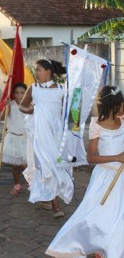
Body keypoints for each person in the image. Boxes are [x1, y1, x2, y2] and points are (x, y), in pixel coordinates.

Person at [46, 85, 124, 258]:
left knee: (119, 217)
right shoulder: (97, 125)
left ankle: (111, 249)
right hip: (105, 177)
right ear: (114, 104)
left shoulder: (123, 121)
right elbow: (91, 158)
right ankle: (82, 244)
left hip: (122, 178)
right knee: (97, 215)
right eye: (122, 103)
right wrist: (117, 158)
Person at [19, 58, 73, 218]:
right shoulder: (33, 88)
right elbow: (22, 105)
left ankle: (47, 197)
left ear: (48, 71)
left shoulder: (61, 90)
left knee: (56, 166)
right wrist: (30, 111)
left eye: (38, 70)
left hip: (55, 135)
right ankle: (56, 206)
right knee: (46, 165)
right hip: (40, 136)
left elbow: (68, 113)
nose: (36, 73)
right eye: (36, 70)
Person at [0, 82, 28, 195]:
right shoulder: (12, 105)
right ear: (13, 94)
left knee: (28, 164)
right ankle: (17, 184)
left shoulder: (30, 105)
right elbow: (2, 118)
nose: (19, 95)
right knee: (15, 165)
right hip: (13, 138)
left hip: (26, 138)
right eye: (17, 93)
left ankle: (32, 182)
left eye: (22, 93)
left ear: (26, 94)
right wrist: (6, 106)